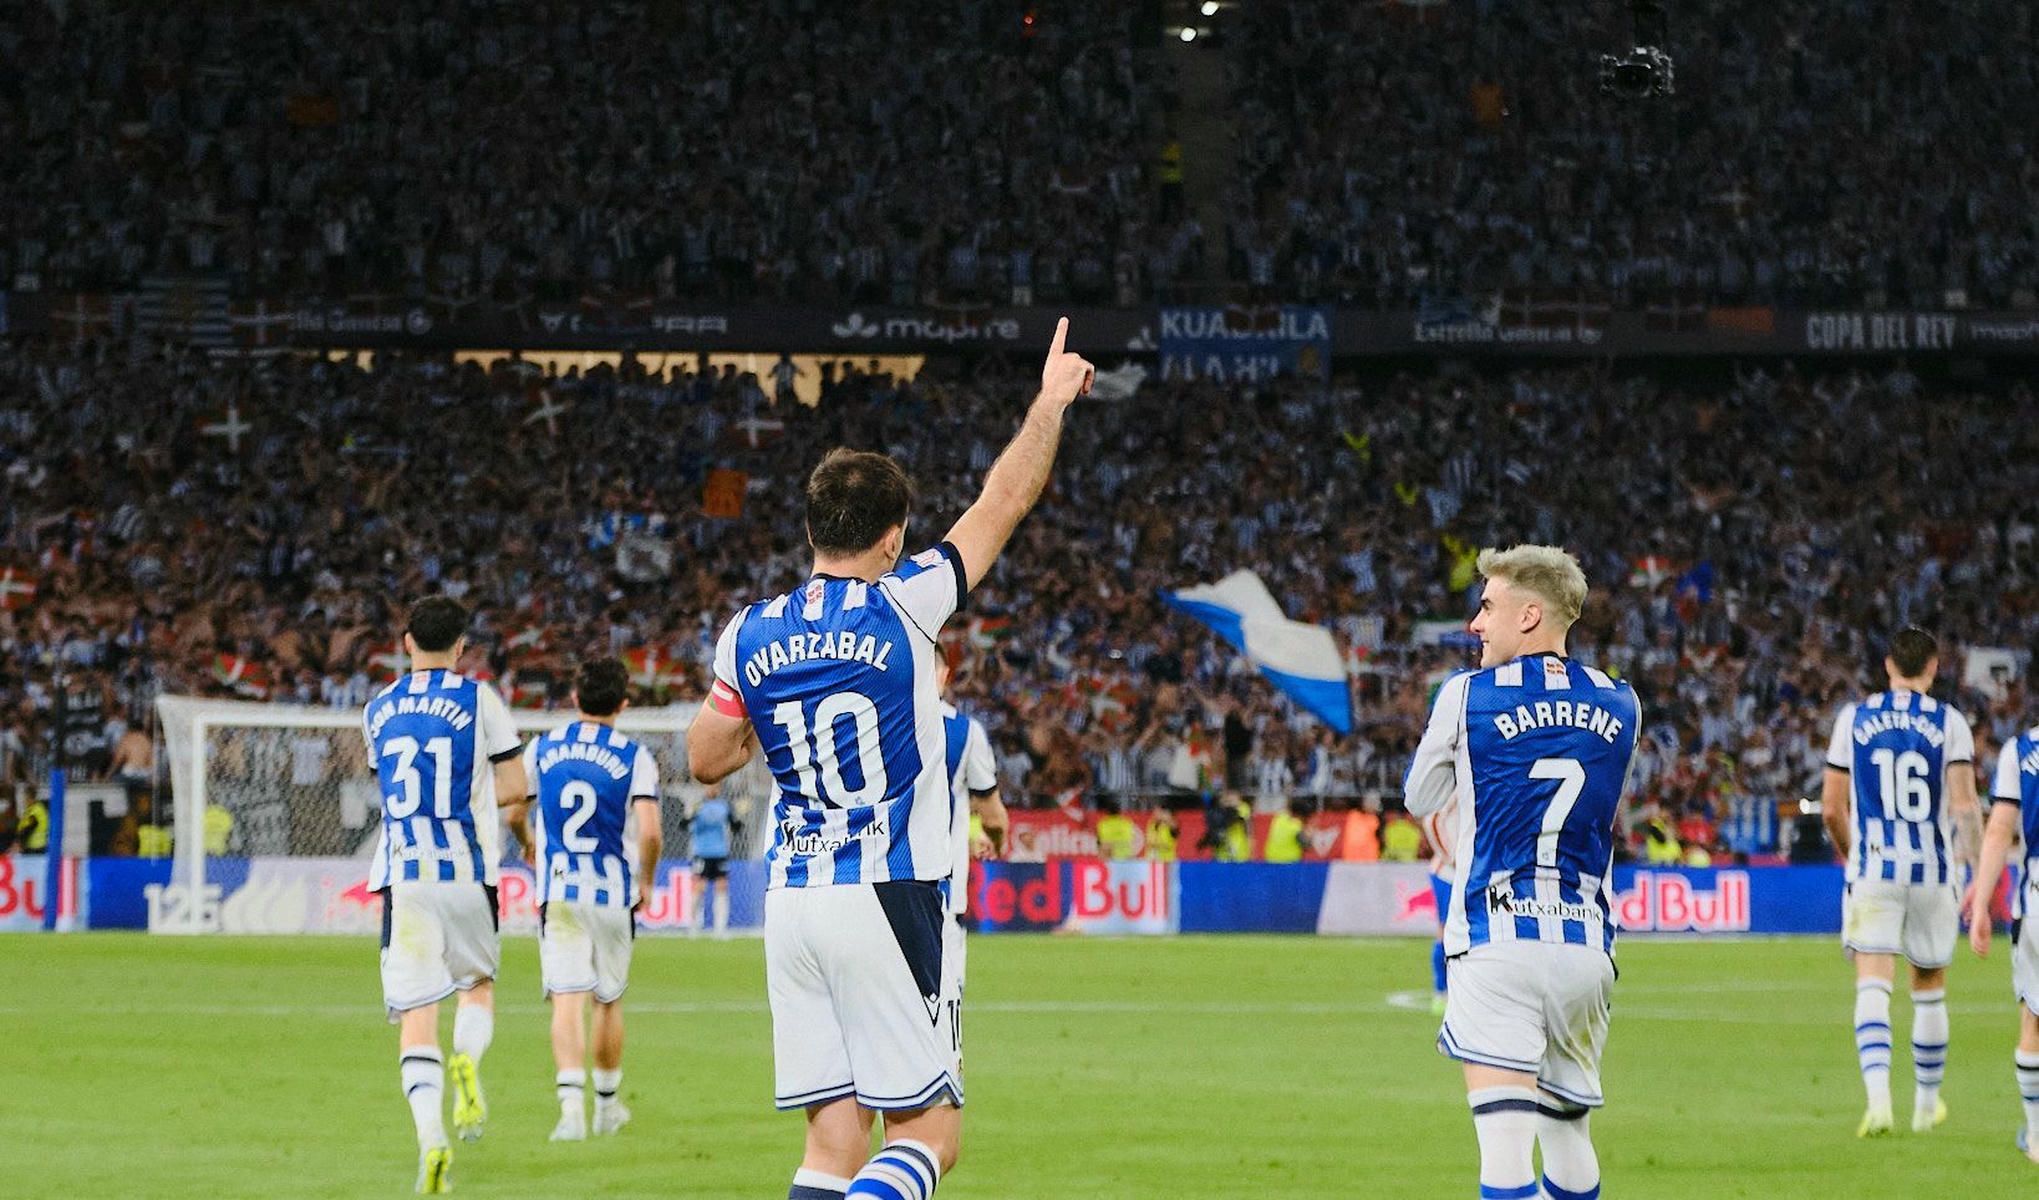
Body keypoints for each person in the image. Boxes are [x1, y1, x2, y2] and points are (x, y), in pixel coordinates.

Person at [687, 318, 1092, 1200]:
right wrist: (1049, 403)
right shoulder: (907, 604)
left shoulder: (747, 630)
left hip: (792, 900)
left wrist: (763, 704)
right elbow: (1002, 502)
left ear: (808, 530)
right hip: (889, 893)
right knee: (928, 1137)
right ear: (893, 537)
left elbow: (706, 756)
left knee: (832, 1145)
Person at [1405, 545, 1640, 1200]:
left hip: (1496, 938)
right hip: (1585, 951)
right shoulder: (1622, 703)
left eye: (1486, 607)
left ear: (1529, 615)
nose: (1475, 624)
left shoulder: (1466, 696)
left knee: (1503, 1149)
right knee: (1568, 1134)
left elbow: (1420, 798)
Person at [363, 596, 528, 1194]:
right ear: (462, 647)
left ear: (405, 641)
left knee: (416, 1015)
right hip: (468, 872)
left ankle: (431, 1139)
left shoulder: (377, 708)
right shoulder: (480, 699)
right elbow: (514, 789)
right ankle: (470, 1062)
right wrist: (518, 829)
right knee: (477, 986)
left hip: (404, 879)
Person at [1821, 626, 1978, 1138]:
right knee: (1929, 987)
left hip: (1873, 869)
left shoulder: (1854, 718)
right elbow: (1963, 806)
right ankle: (1926, 1109)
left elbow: (1830, 809)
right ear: (1932, 668)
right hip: (1933, 871)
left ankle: (1879, 1102)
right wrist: (1973, 868)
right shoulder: (1949, 722)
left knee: (1873, 982)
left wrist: (1853, 856)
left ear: (1888, 665)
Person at [521, 657, 661, 1143]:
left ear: (575, 699)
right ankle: (606, 1109)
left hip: (559, 889)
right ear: (623, 704)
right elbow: (650, 832)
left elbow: (515, 803)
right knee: (608, 999)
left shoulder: (543, 747)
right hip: (612, 892)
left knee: (567, 998)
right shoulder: (633, 755)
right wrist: (646, 880)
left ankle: (569, 1112)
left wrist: (526, 838)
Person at [1967, 716, 2039, 1164]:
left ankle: (2036, 1136)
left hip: (2036, 904)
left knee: (2034, 1020)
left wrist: (1979, 905)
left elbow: (1999, 830)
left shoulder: (2021, 750)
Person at [938, 659, 1007, 1084]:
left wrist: (966, 833)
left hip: (869, 893)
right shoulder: (962, 733)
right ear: (944, 674)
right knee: (938, 1040)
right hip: (939, 897)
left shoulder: (875, 722)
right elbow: (994, 815)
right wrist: (994, 840)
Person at [1420, 799, 1460, 1017]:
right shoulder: (1455, 790)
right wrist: (1452, 857)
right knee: (1445, 933)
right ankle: (1440, 992)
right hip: (1448, 873)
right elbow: (1432, 820)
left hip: (1472, 871)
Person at [691, 785, 739, 937]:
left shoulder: (725, 806)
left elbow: (736, 827)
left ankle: (720, 928)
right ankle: (694, 925)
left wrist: (739, 818)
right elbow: (683, 825)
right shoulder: (698, 805)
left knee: (721, 887)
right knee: (699, 887)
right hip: (701, 852)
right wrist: (691, 814)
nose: (712, 790)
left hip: (719, 852)